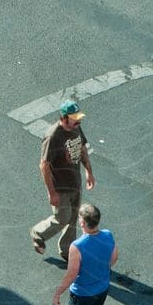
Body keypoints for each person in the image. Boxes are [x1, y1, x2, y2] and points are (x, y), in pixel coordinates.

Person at [51, 202, 118, 305]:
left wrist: (58, 292)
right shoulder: (108, 235)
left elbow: (72, 274)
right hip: (102, 289)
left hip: (82, 295)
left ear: (82, 223)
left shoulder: (77, 246)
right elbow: (114, 258)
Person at [31, 100, 94, 261]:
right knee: (62, 218)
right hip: (60, 186)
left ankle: (67, 251)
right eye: (74, 118)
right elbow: (44, 166)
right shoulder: (53, 136)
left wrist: (88, 172)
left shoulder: (76, 127)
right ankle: (38, 233)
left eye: (78, 117)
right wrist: (52, 193)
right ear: (64, 118)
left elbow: (82, 148)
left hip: (75, 182)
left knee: (73, 218)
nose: (78, 121)